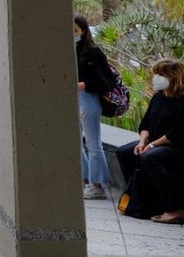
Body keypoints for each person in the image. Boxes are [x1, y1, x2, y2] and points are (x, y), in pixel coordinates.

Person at [115, 59, 184, 223]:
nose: (157, 77)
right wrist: (142, 142)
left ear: (173, 77)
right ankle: (138, 197)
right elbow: (146, 124)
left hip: (176, 145)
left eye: (161, 74)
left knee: (149, 157)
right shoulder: (158, 97)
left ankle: (174, 209)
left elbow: (177, 133)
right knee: (124, 152)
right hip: (155, 142)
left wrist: (152, 145)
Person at [76, 14, 112, 200]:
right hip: (72, 99)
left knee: (93, 143)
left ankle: (98, 185)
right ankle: (84, 179)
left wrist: (83, 85)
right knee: (75, 142)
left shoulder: (93, 52)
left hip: (88, 98)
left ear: (83, 31)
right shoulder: (68, 51)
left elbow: (104, 81)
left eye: (75, 30)